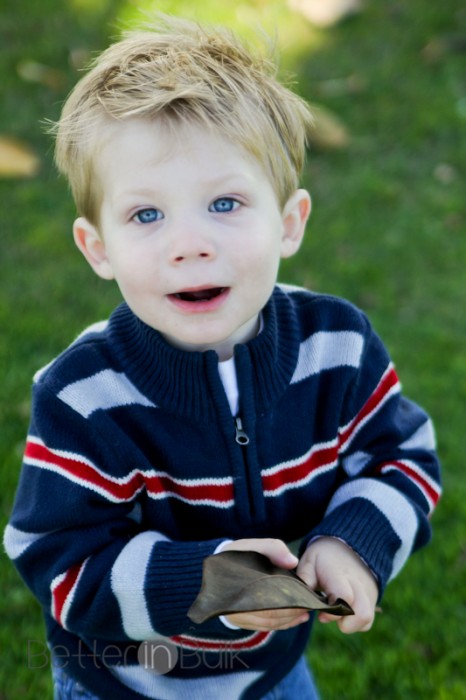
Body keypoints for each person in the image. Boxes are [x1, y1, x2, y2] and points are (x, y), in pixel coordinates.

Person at [4, 14, 441, 700]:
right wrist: (207, 583)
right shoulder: (83, 397)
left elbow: (402, 456)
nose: (190, 243)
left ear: (289, 222)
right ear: (97, 248)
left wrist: (352, 540)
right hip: (119, 682)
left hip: (272, 674)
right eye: (147, 216)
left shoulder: (338, 348)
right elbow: (58, 557)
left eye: (225, 203)